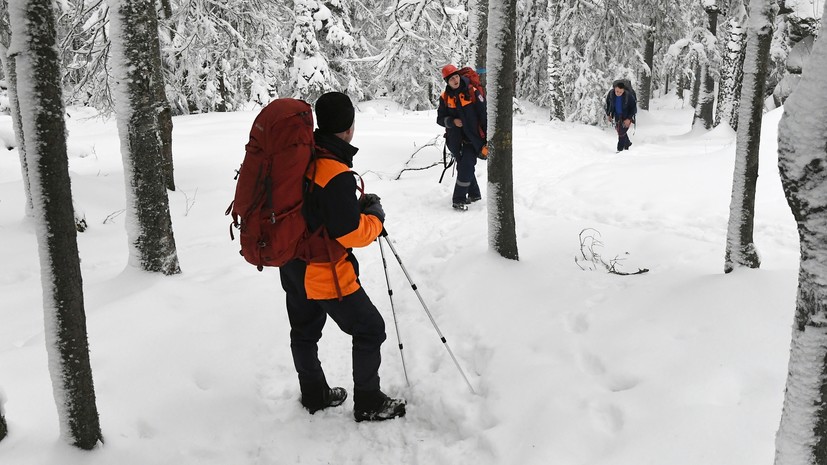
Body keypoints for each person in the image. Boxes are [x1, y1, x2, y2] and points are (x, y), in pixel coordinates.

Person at [278, 91, 406, 422]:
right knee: (370, 329)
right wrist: (374, 217)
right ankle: (368, 401)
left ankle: (315, 395)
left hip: (292, 262)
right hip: (324, 271)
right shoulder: (333, 172)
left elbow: (318, 209)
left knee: (303, 332)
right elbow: (351, 234)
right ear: (349, 128)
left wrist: (351, 207)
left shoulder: (302, 157)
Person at [437, 64, 487, 211]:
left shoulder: (473, 92)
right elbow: (440, 119)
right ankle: (474, 194)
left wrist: (487, 138)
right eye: (451, 78)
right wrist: (452, 122)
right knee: (465, 167)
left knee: (466, 166)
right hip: (454, 141)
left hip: (473, 139)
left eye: (456, 76)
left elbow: (484, 116)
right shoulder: (444, 97)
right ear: (447, 81)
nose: (455, 80)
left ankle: (458, 199)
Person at [605, 80, 637, 152]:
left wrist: (629, 118)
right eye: (617, 91)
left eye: (620, 92)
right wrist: (609, 114)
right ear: (614, 89)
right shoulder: (611, 94)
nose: (618, 93)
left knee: (621, 133)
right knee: (620, 131)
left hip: (626, 116)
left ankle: (620, 150)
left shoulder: (628, 96)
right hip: (616, 115)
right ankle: (627, 143)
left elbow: (633, 108)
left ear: (623, 91)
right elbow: (608, 104)